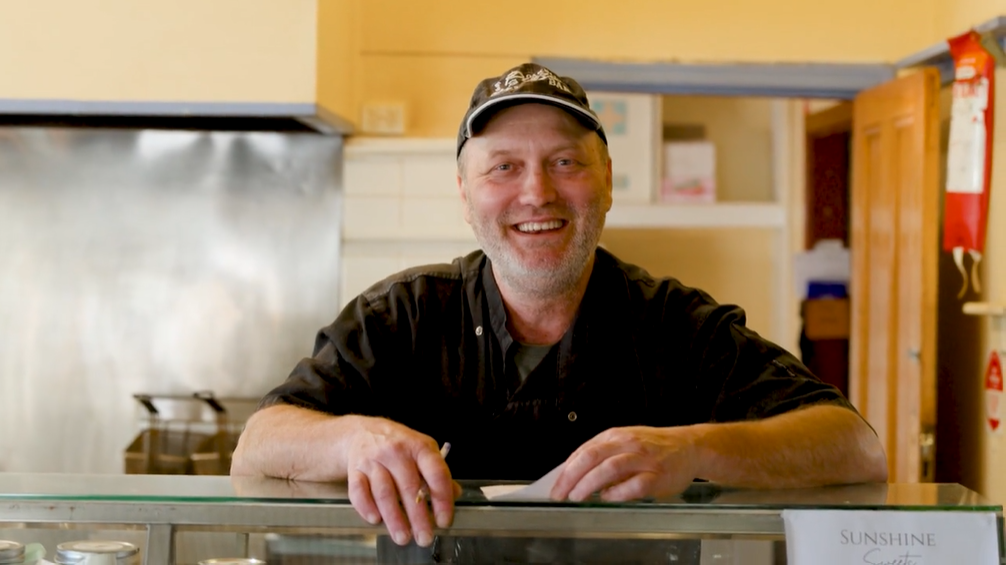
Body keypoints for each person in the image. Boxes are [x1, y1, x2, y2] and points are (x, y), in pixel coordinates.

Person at [231, 62, 887, 560]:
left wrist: (695, 448)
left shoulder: (677, 326)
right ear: (465, 194)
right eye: (504, 167)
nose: (536, 192)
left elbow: (854, 447)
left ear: (606, 181)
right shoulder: (400, 316)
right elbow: (256, 448)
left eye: (564, 162)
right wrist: (353, 440)